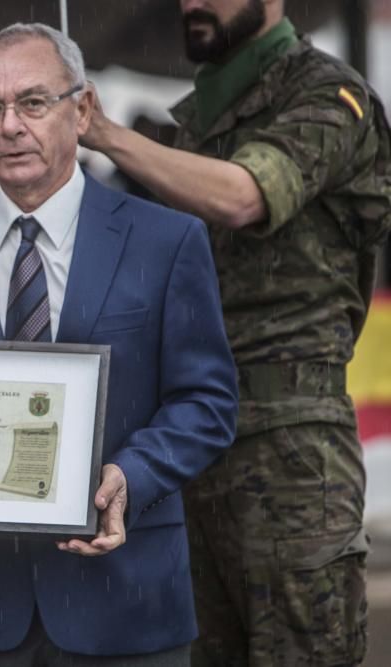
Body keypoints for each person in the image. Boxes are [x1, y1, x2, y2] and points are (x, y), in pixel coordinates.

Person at [0, 22, 238, 664]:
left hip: (128, 600)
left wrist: (131, 477)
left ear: (81, 110)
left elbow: (208, 402)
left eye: (33, 102)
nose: (11, 126)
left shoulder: (167, 241)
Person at [81, 1, 391, 663]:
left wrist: (106, 134)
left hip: (293, 453)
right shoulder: (200, 118)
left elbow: (245, 195)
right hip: (190, 444)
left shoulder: (328, 95)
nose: (193, 3)